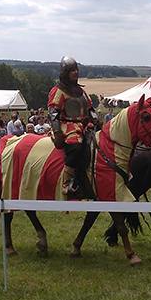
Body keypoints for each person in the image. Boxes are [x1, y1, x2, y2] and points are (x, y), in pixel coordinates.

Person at [48, 55, 97, 196]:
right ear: (65, 73)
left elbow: (90, 109)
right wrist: (57, 133)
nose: (76, 73)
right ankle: (66, 183)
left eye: (76, 70)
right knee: (76, 148)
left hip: (85, 126)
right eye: (72, 70)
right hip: (67, 126)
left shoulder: (81, 91)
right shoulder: (58, 91)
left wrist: (96, 120)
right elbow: (53, 113)